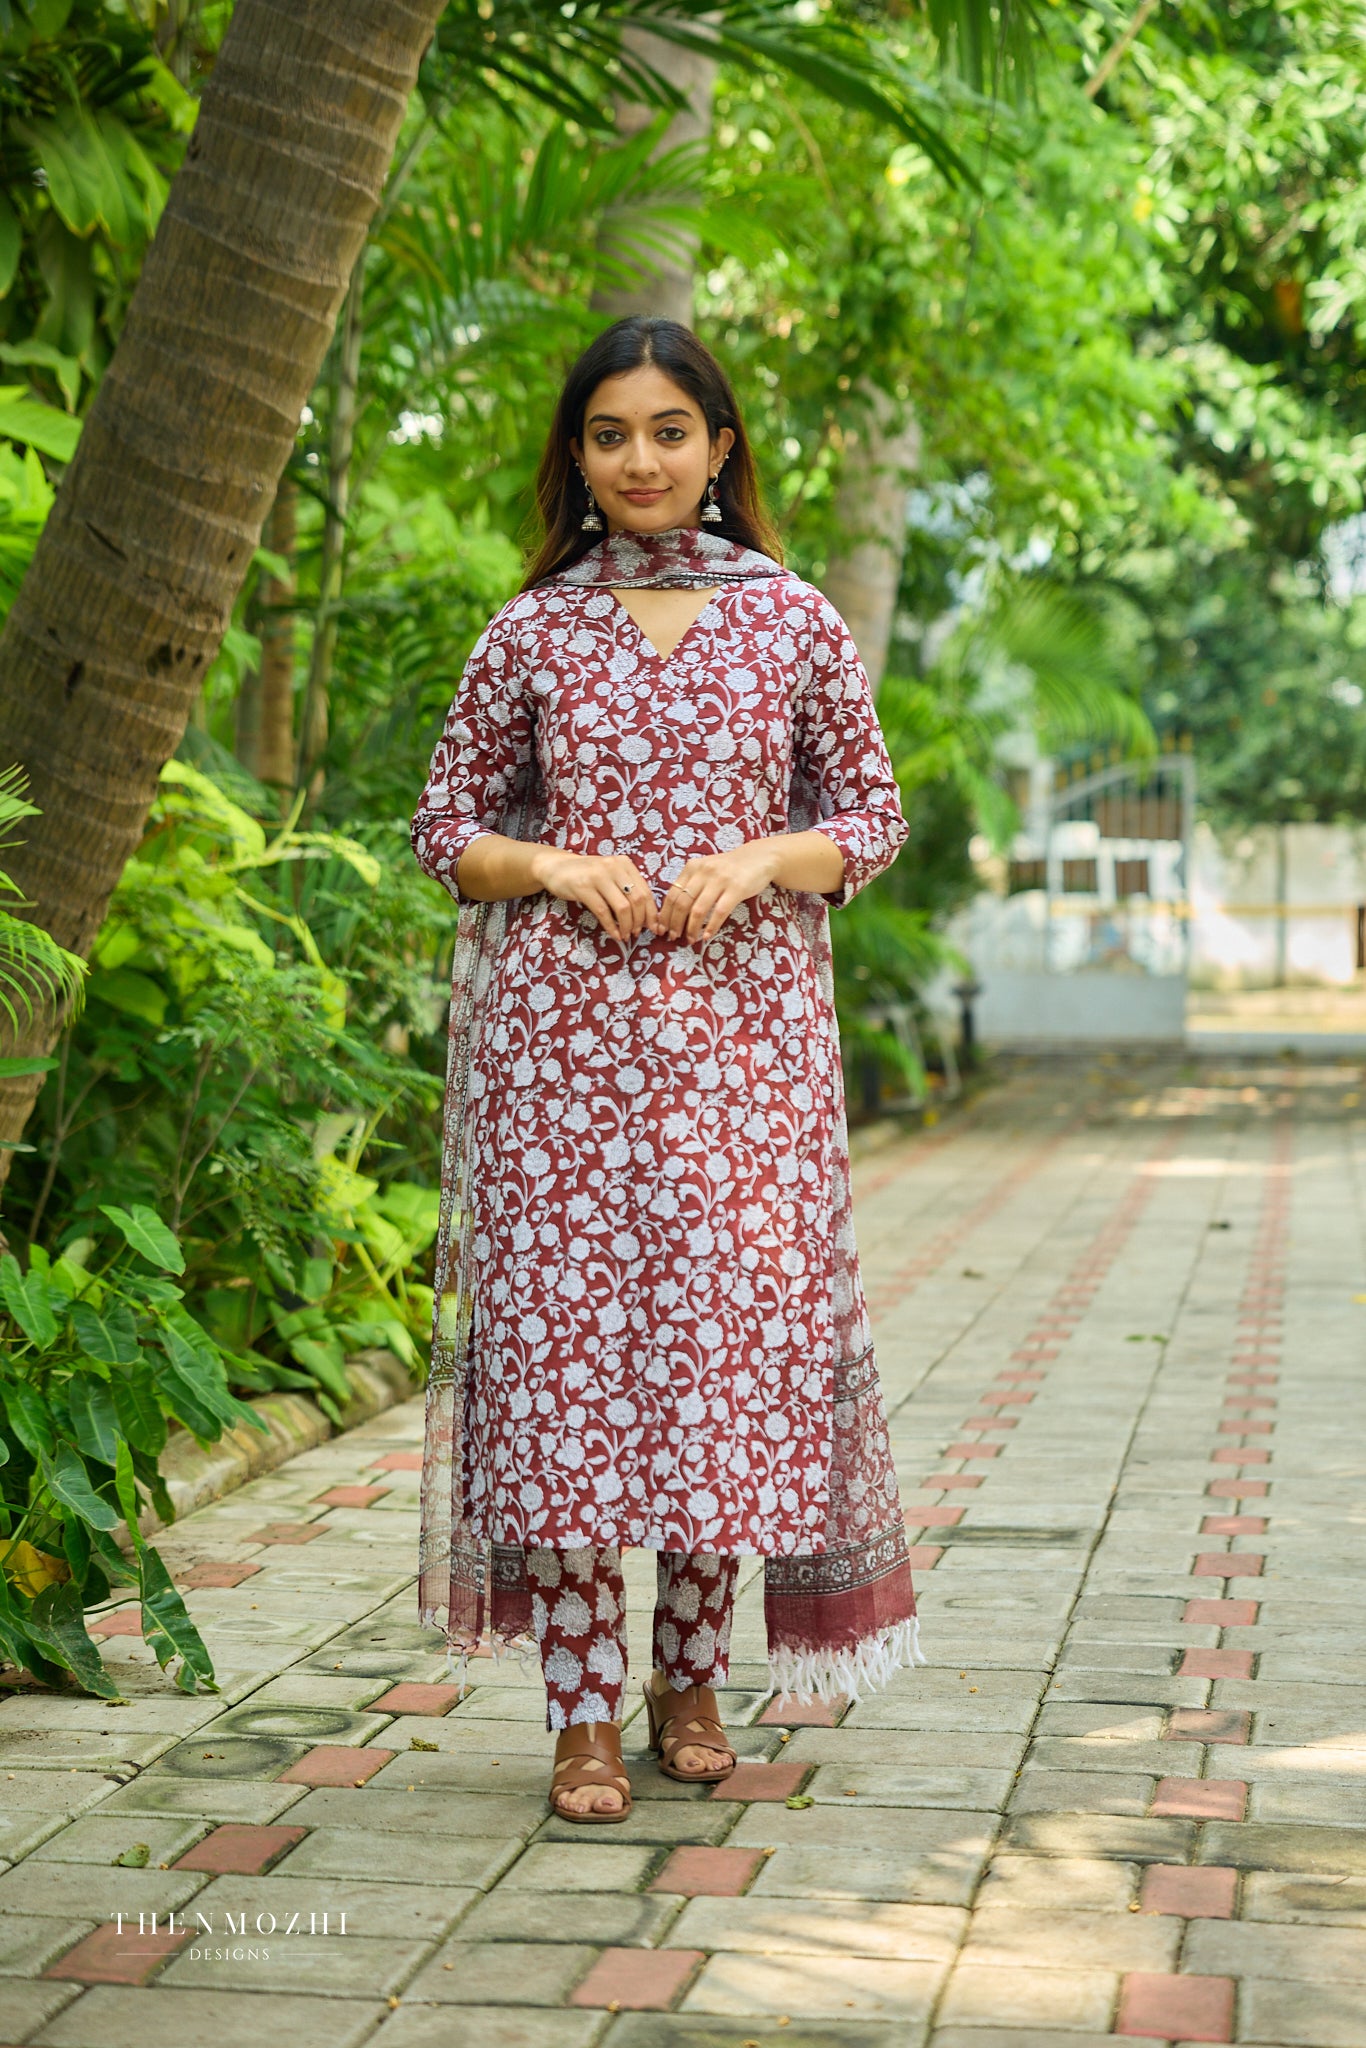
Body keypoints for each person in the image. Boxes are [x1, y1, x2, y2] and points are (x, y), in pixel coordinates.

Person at [410, 315, 923, 1824]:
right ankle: (578, 1710)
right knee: (569, 1375)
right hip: (559, 1066)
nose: (639, 460)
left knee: (720, 1364)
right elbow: (448, 834)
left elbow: (870, 820)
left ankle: (686, 1677)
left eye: (667, 432)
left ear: (719, 449)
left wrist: (768, 852)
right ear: (576, 457)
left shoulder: (793, 622)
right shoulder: (533, 631)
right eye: (609, 434)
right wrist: (555, 866)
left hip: (745, 1063)